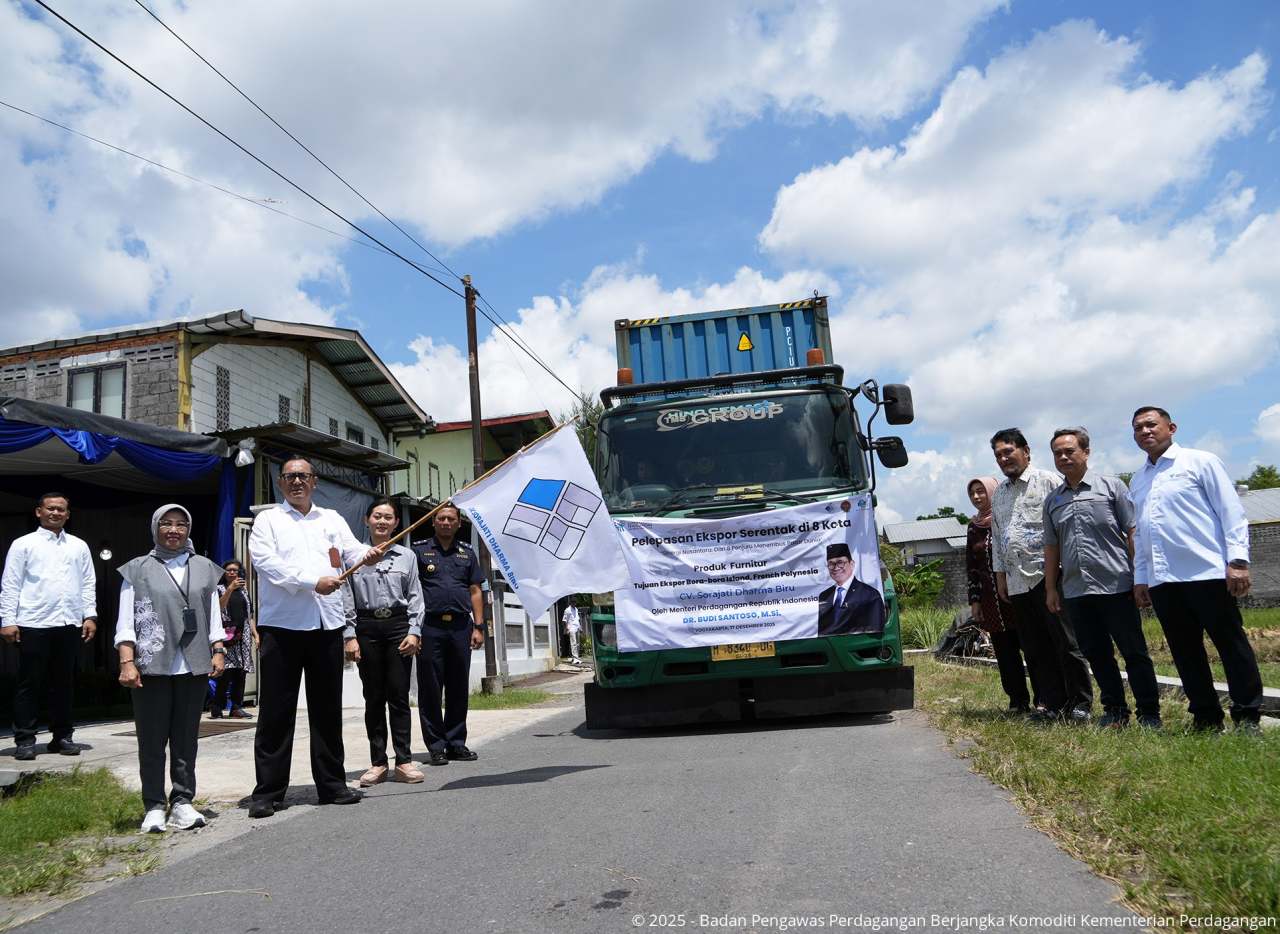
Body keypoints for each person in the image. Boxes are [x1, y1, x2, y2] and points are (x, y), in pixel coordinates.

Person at [246, 457, 383, 818]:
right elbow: (266, 563)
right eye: (290, 476)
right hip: (283, 627)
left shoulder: (332, 519)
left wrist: (367, 554)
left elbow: (350, 550)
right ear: (280, 483)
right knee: (277, 713)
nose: (296, 482)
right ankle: (268, 792)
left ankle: (332, 785)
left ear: (314, 481)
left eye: (303, 476)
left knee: (326, 711)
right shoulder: (268, 521)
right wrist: (312, 582)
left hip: (326, 625)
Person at [1129, 406, 1263, 733]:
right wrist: (1142, 578)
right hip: (1164, 582)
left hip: (1207, 573)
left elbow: (1231, 513)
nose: (1145, 432)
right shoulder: (1138, 479)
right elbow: (1142, 533)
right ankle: (1206, 717)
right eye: (1138, 428)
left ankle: (1247, 718)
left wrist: (1237, 561)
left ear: (1171, 427)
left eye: (1151, 425)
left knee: (1231, 646)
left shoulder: (1200, 462)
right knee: (1186, 653)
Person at [115, 505, 226, 832]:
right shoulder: (137, 569)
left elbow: (213, 616)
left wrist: (218, 650)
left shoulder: (205, 567)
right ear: (156, 528)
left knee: (186, 739)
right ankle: (153, 805)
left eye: (181, 524)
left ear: (188, 529)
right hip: (152, 665)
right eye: (166, 524)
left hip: (192, 665)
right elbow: (126, 621)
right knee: (151, 739)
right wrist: (127, 661)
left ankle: (182, 802)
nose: (174, 530)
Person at [1042, 428, 1162, 729]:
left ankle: (1149, 713)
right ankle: (1115, 711)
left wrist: (1140, 578)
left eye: (1070, 450)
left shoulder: (1111, 487)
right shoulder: (1053, 501)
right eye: (1058, 453)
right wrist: (1050, 589)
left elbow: (1132, 530)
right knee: (1097, 654)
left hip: (1117, 585)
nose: (1064, 457)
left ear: (1086, 452)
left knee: (1134, 652)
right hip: (1076, 591)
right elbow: (1052, 546)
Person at [989, 428, 1093, 723]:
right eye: (998, 455)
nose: (1004, 458)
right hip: (1017, 582)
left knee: (1066, 643)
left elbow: (1066, 527)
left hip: (1050, 577)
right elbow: (998, 538)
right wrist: (1001, 577)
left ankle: (1080, 703)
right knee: (1034, 647)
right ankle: (1051, 703)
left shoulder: (1048, 481)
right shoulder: (999, 494)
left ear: (1026, 451)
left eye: (1008, 451)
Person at [1, 492, 97, 761]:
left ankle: (62, 737)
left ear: (68, 514)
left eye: (61, 509)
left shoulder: (78, 546)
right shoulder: (23, 544)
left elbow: (88, 582)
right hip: (33, 621)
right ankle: (25, 739)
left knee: (63, 683)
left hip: (69, 622)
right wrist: (7, 620)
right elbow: (10, 584)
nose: (55, 513)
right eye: (50, 508)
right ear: (38, 512)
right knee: (29, 683)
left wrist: (90, 616)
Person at [342, 499, 425, 786]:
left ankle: (404, 761)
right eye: (377, 516)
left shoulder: (407, 556)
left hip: (398, 627)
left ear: (395, 524)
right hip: (366, 629)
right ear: (367, 520)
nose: (382, 521)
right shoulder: (354, 556)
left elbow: (415, 595)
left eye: (388, 517)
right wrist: (349, 636)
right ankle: (377, 763)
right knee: (373, 698)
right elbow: (346, 596)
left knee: (399, 697)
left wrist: (414, 631)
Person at [412, 502, 485, 766]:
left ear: (458, 524)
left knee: (458, 686)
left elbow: (475, 590)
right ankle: (436, 746)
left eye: (450, 519)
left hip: (460, 627)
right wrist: (413, 630)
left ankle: (456, 743)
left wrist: (478, 626)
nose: (445, 522)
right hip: (429, 627)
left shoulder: (467, 553)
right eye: (440, 518)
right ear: (434, 522)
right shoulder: (419, 551)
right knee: (430, 688)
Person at [965, 477, 1033, 714]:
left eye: (981, 491)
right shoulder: (973, 527)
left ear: (993, 491)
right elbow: (971, 567)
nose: (976, 497)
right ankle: (1017, 701)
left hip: (1016, 593)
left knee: (1032, 647)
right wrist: (975, 601)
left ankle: (1045, 698)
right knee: (1005, 654)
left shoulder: (1005, 518)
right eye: (972, 493)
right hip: (990, 602)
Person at [212, 559, 257, 719]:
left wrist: (255, 634)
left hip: (243, 635)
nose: (232, 572)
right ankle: (217, 706)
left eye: (235, 570)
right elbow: (219, 608)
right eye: (229, 570)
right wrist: (230, 589)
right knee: (226, 672)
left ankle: (236, 707)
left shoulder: (244, 591)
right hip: (227, 635)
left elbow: (249, 616)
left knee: (241, 671)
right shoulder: (219, 589)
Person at [815, 543, 885, 636]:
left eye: (840, 562)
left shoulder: (870, 594)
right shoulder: (824, 595)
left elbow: (876, 630)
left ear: (851, 564)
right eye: (831, 564)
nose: (836, 568)